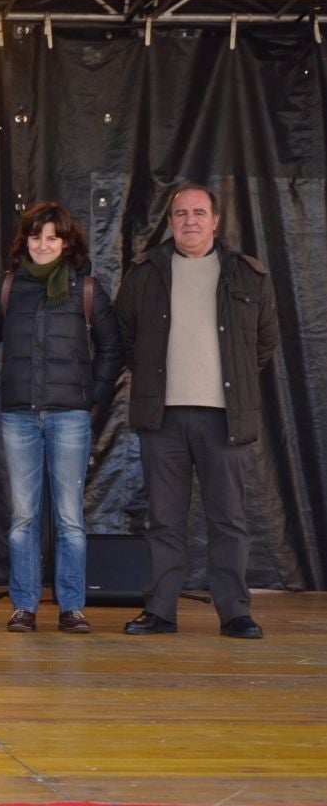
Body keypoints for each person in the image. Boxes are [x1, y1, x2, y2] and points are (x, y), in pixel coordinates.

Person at [114, 182, 278, 639]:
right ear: (169, 222)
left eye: (199, 213)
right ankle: (161, 612)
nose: (190, 221)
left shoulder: (247, 275)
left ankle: (235, 614)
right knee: (164, 519)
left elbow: (263, 343)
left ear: (215, 220)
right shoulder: (145, 273)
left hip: (224, 418)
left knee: (228, 519)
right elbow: (126, 337)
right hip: (162, 419)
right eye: (181, 213)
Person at [0, 202, 122, 634]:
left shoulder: (87, 289)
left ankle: (72, 607)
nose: (43, 244)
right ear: (25, 241)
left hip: (69, 419)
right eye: (36, 236)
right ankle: (24, 605)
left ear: (66, 243)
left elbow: (113, 349)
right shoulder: (7, 288)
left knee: (70, 519)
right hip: (19, 416)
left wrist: (90, 398)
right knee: (23, 518)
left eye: (52, 237)